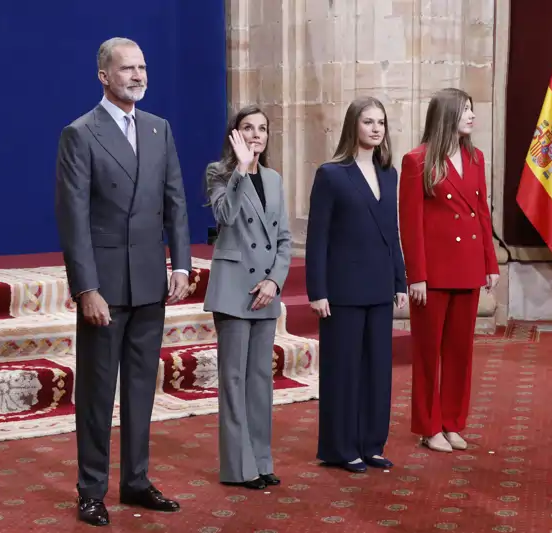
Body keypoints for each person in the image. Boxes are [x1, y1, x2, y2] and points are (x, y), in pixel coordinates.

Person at [55, 37, 192, 526]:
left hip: (151, 282)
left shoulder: (159, 129)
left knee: (140, 389)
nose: (138, 75)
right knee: (96, 394)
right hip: (105, 289)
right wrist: (86, 288)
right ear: (103, 76)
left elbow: (175, 202)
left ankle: (135, 481)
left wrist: (181, 264)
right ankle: (92, 489)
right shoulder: (81, 133)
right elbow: (73, 219)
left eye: (143, 67)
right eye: (127, 68)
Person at [305, 96, 408, 473]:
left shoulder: (389, 173)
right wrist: (317, 290)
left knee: (377, 370)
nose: (376, 129)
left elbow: (391, 232)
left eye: (381, 122)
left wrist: (399, 279)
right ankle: (340, 447)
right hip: (342, 290)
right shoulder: (331, 174)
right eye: (368, 122)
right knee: (343, 371)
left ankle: (370, 444)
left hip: (380, 286)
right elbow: (318, 238)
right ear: (354, 126)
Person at [398, 88, 499, 453]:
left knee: (460, 352)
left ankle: (453, 422)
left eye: (472, 108)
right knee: (428, 353)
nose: (472, 115)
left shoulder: (475, 158)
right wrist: (417, 275)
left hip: (469, 268)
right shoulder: (417, 160)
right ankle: (428, 426)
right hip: (434, 274)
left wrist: (490, 263)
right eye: (465, 110)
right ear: (446, 116)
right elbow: (410, 224)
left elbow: (482, 214)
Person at [203, 105, 292, 489]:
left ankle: (260, 460)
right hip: (234, 290)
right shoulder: (219, 173)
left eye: (262, 129)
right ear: (234, 135)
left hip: (265, 292)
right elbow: (225, 215)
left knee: (260, 382)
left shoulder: (274, 179)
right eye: (248, 128)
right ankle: (239, 468)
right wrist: (240, 169)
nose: (256, 135)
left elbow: (285, 240)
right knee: (234, 380)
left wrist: (275, 281)